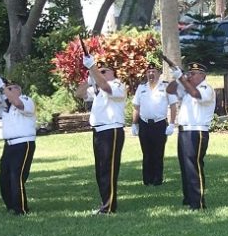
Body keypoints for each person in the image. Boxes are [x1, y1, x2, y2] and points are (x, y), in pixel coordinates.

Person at [76, 57, 126, 215]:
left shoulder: (117, 85)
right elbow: (79, 93)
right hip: (99, 131)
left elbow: (106, 86)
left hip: (112, 130)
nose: (101, 73)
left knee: (109, 169)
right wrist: (89, 79)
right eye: (100, 71)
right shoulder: (97, 89)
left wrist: (93, 69)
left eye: (104, 71)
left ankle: (109, 207)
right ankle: (105, 202)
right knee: (100, 169)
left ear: (113, 73)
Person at [166, 62, 216, 211]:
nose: (190, 76)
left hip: (197, 131)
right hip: (184, 130)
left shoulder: (206, 88)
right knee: (185, 166)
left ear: (202, 75)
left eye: (193, 74)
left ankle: (198, 202)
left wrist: (182, 78)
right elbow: (170, 90)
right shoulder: (187, 88)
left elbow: (196, 95)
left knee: (194, 166)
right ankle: (189, 198)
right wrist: (177, 78)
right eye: (189, 73)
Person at [0, 77, 37, 215]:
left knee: (17, 176)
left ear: (18, 89)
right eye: (7, 87)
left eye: (11, 88)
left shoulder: (25, 100)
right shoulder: (5, 105)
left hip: (23, 143)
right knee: (4, 177)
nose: (8, 90)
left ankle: (21, 209)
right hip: (9, 144)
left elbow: (18, 104)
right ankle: (10, 206)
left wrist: (3, 87)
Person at [131, 63, 178, 186]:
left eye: (153, 71)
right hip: (144, 124)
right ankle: (147, 180)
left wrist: (172, 124)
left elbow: (173, 106)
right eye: (148, 72)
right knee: (146, 153)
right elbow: (136, 106)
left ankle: (158, 180)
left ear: (158, 73)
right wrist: (134, 124)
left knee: (158, 153)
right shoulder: (141, 88)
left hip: (159, 124)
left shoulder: (166, 86)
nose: (151, 74)